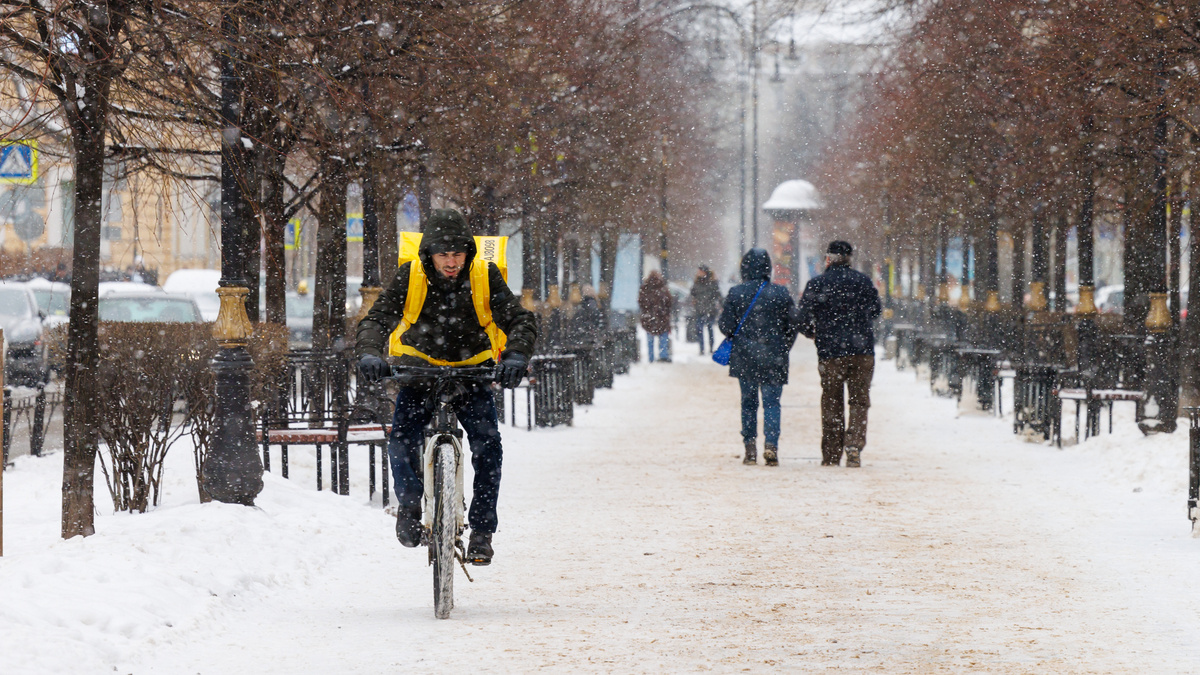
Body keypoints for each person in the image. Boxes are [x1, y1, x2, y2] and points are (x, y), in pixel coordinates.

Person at [356, 209, 538, 565]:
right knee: (402, 438)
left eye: (458, 253)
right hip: (419, 371)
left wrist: (515, 356)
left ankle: (482, 532)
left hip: (472, 373)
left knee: (488, 447)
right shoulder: (411, 276)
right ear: (429, 254)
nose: (451, 261)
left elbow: (519, 319)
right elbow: (378, 318)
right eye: (443, 254)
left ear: (468, 252)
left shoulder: (485, 276)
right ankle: (409, 504)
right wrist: (368, 353)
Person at [795, 240, 882, 468]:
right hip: (862, 351)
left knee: (832, 401)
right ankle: (854, 445)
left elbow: (802, 318)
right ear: (850, 259)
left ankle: (832, 453)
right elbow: (876, 310)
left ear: (828, 258)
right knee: (859, 400)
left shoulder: (817, 284)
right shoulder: (863, 281)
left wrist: (814, 332)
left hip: (830, 352)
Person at [718, 248, 802, 466]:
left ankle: (750, 447)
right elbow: (794, 324)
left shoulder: (736, 293)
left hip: (745, 356)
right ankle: (771, 445)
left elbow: (725, 326)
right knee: (772, 403)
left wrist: (741, 337)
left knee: (748, 403)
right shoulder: (781, 293)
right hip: (774, 355)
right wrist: (783, 346)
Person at [638, 270, 673, 362]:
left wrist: (648, 310)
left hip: (649, 318)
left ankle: (651, 357)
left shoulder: (644, 288)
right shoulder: (663, 289)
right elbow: (669, 303)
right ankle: (663, 355)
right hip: (662, 317)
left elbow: (641, 302)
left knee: (650, 340)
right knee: (663, 338)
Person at [690, 266, 722, 355]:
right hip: (700, 310)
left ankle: (710, 348)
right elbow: (692, 294)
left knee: (710, 329)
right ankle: (702, 348)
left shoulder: (712, 283)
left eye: (700, 271)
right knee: (699, 329)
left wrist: (721, 304)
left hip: (710, 310)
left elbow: (718, 295)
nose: (698, 273)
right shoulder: (696, 283)